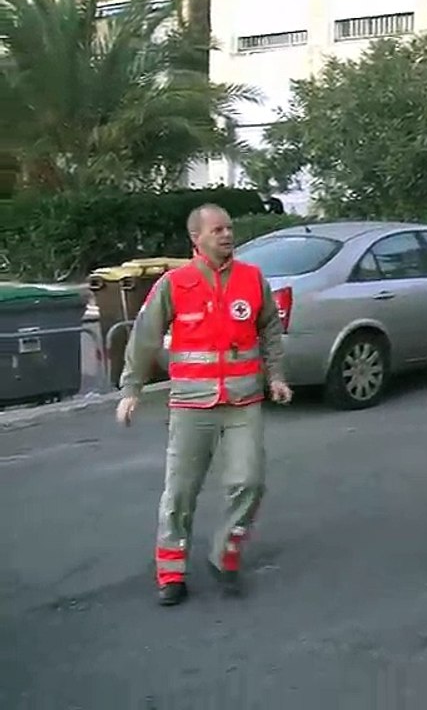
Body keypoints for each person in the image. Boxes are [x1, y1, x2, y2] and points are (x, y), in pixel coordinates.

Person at [116, 203, 291, 607]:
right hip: (192, 406)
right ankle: (171, 570)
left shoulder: (252, 279)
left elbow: (269, 329)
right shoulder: (175, 284)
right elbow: (144, 338)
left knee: (249, 482)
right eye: (217, 230)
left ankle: (225, 553)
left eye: (229, 228)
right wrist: (131, 389)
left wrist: (276, 376)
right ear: (196, 238)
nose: (227, 235)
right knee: (180, 491)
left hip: (243, 401)